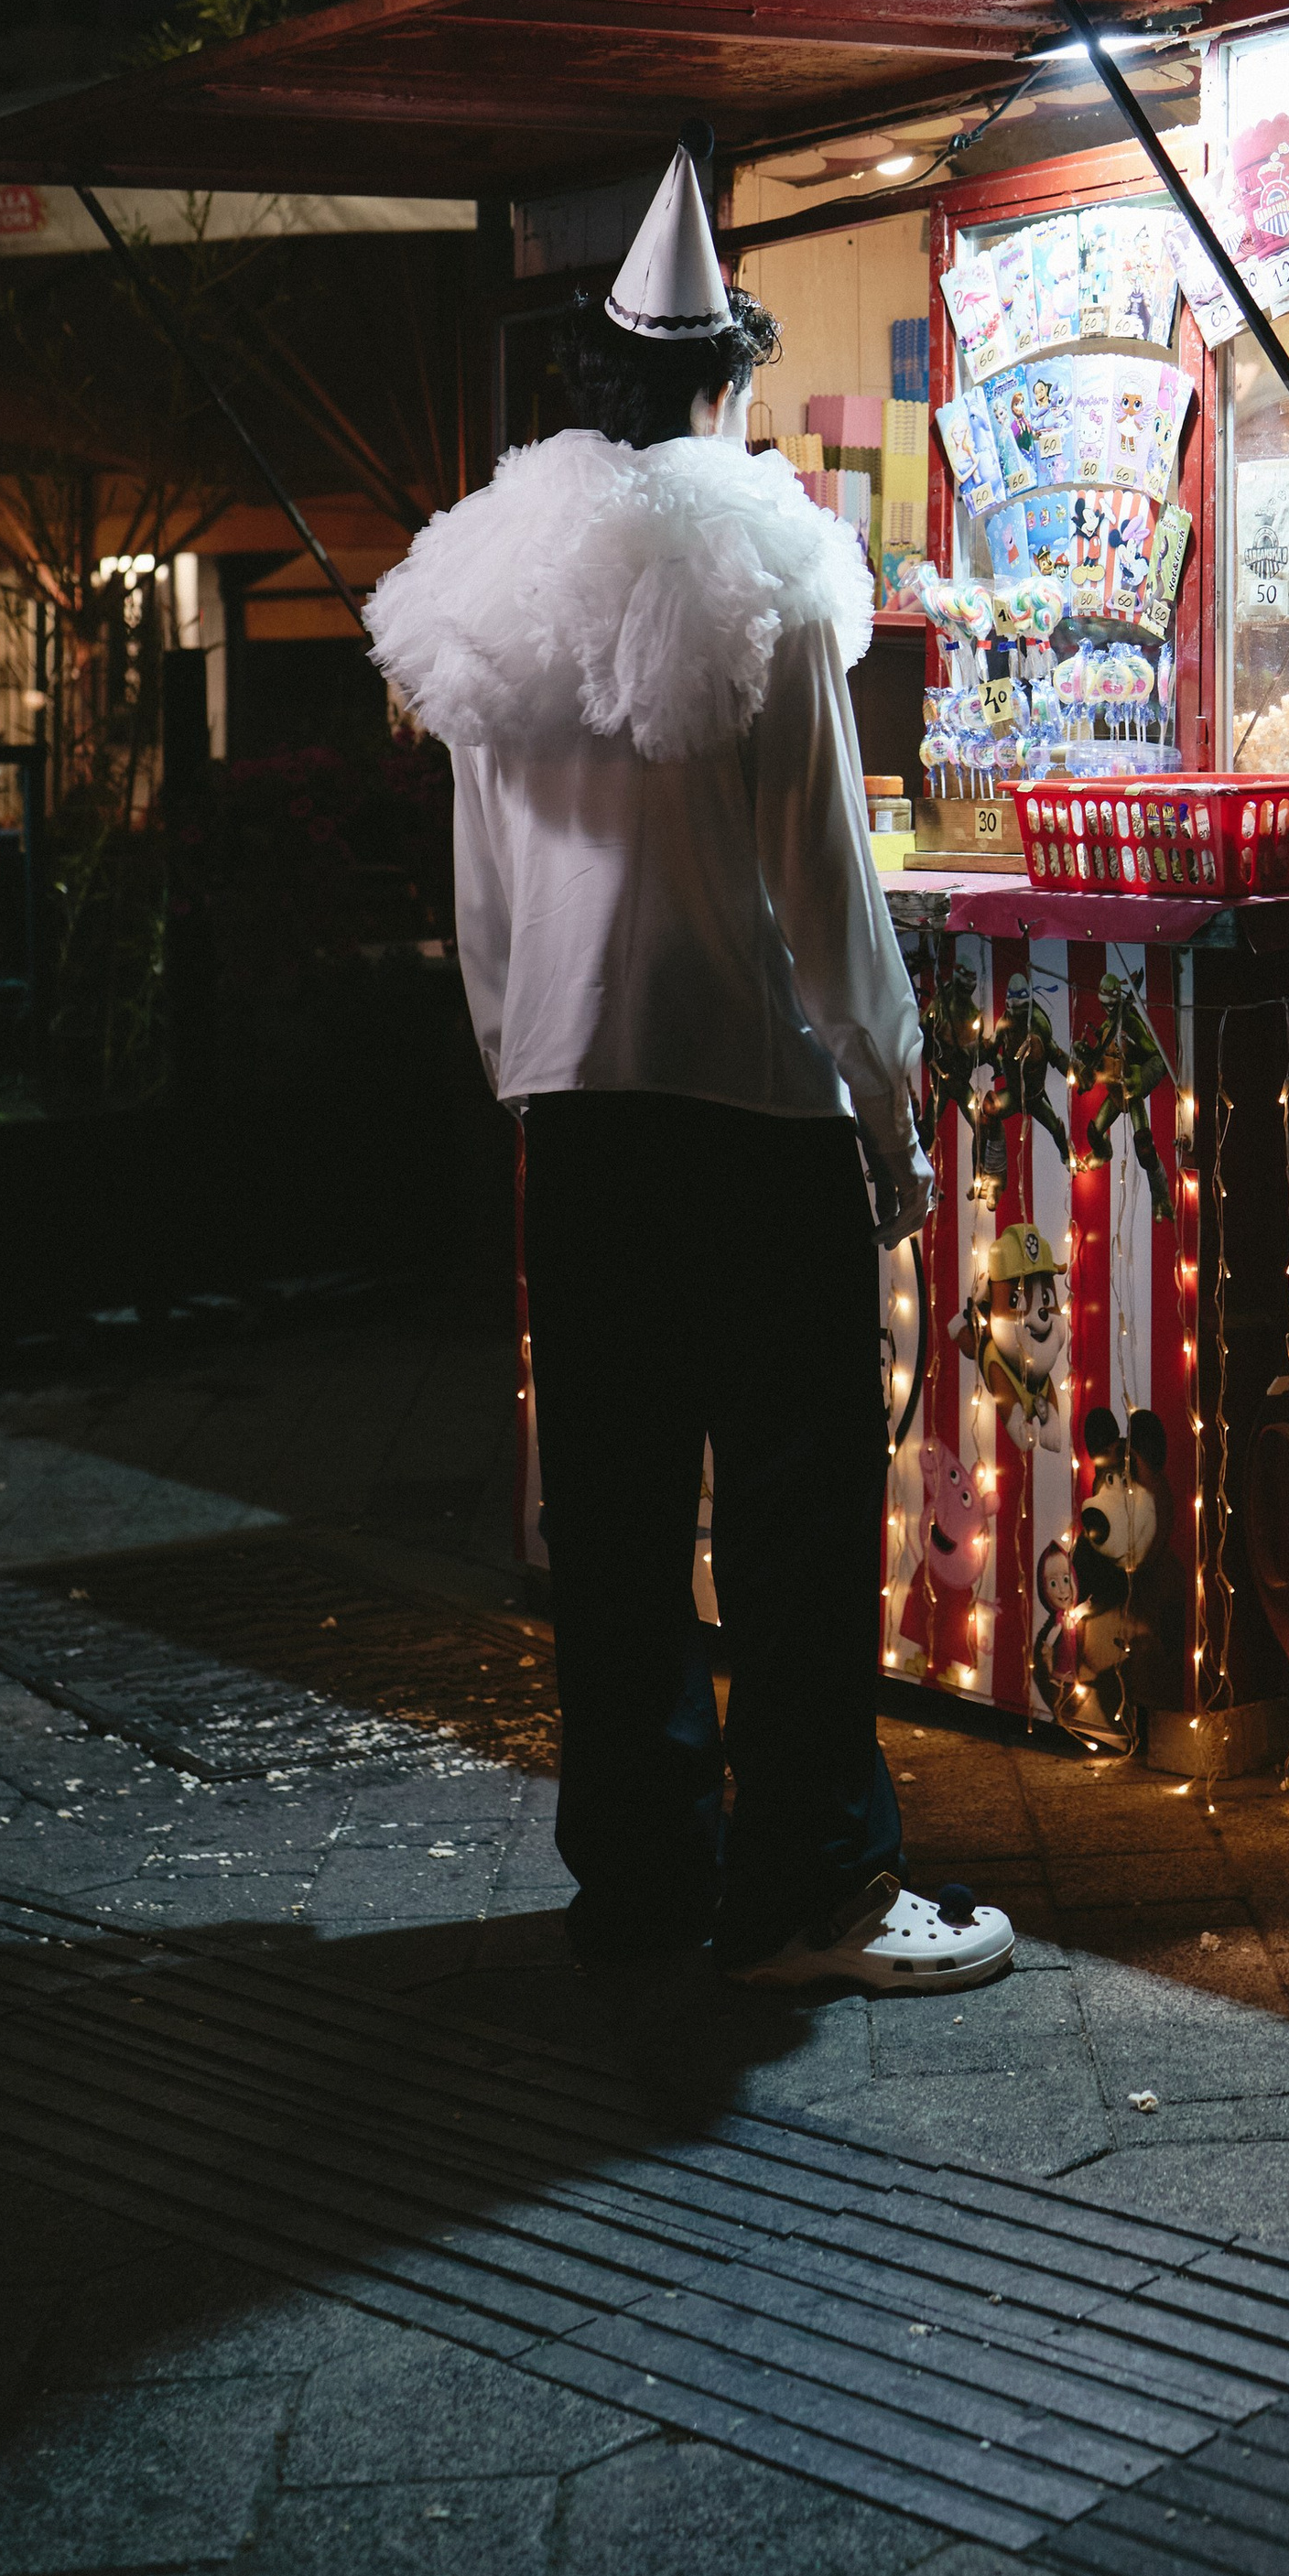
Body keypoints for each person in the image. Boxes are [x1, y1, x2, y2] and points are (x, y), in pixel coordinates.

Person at [367, 139, 1012, 1997]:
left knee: (621, 1519)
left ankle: (641, 1890)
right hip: (749, 1104)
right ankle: (814, 1887)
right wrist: (886, 1106)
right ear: (726, 375)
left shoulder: (494, 582)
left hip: (575, 1119)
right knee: (800, 1512)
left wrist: (524, 1068)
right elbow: (824, 882)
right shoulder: (772, 566)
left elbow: (486, 907)